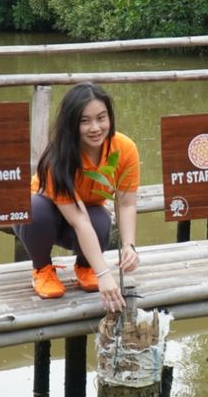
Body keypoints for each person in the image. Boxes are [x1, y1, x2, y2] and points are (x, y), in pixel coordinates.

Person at [16, 83, 139, 312]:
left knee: (101, 219)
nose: (95, 128)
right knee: (38, 209)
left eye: (101, 118)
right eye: (85, 121)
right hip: (40, 219)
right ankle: (42, 269)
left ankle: (85, 267)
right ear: (71, 123)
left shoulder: (124, 149)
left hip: (85, 214)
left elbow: (126, 203)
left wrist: (129, 245)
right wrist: (104, 273)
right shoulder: (59, 157)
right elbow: (78, 220)